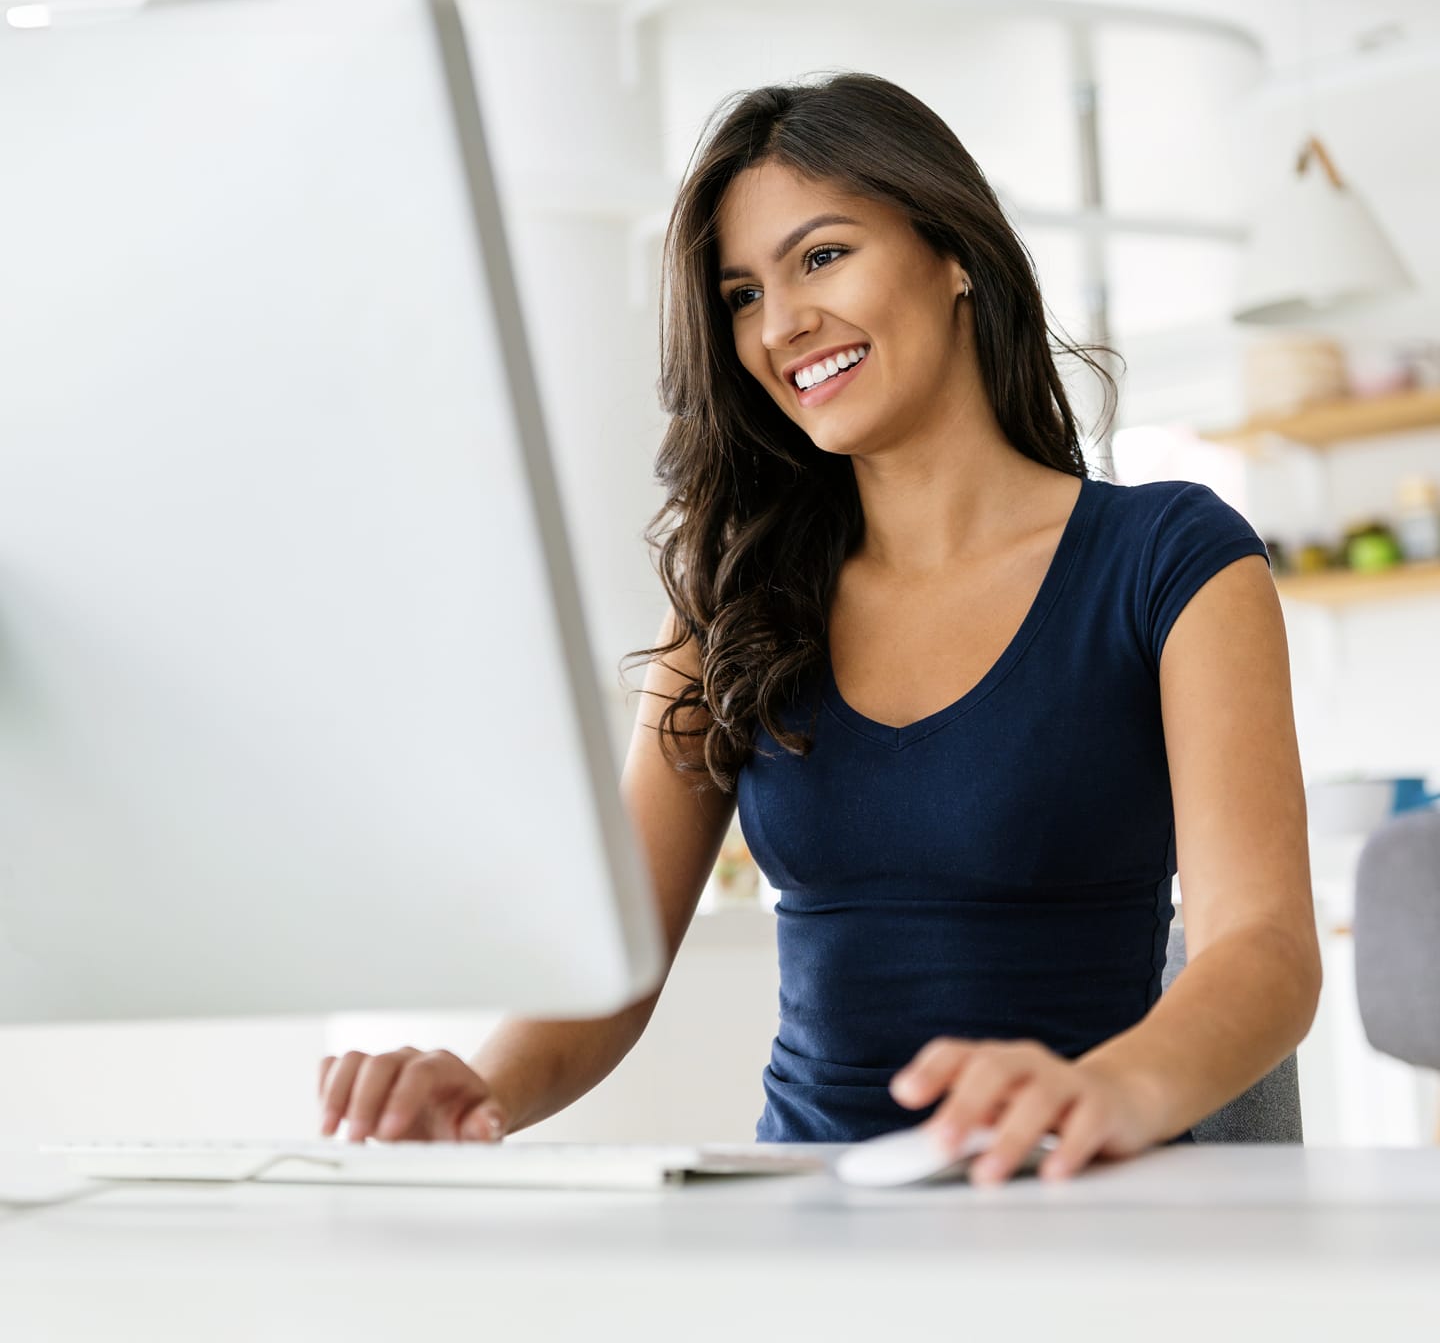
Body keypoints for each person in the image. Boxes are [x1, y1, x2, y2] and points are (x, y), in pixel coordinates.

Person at [316, 72, 1321, 1185]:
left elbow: (1263, 953)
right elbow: (620, 961)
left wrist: (1110, 1090)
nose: (782, 323)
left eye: (822, 256)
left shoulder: (1172, 560)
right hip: (802, 1222)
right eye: (742, 293)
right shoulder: (735, 595)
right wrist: (485, 1084)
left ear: (952, 255)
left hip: (1084, 1207)